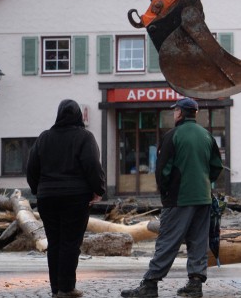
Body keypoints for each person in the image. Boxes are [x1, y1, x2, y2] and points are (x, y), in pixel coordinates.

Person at [122, 98, 222, 298]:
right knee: (198, 241)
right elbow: (216, 166)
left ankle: (150, 284)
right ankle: (195, 284)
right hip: (203, 198)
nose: (174, 113)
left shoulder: (172, 135)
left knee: (168, 240)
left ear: (180, 113)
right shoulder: (207, 136)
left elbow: (162, 170)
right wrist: (203, 183)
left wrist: (165, 192)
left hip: (179, 198)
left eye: (175, 110)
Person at [27, 99, 105, 298]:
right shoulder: (84, 137)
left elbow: (31, 168)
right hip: (76, 198)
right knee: (70, 243)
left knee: (55, 243)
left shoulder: (44, 138)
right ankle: (67, 288)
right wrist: (98, 190)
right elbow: (92, 166)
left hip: (47, 199)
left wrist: (39, 189)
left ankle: (56, 289)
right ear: (78, 115)